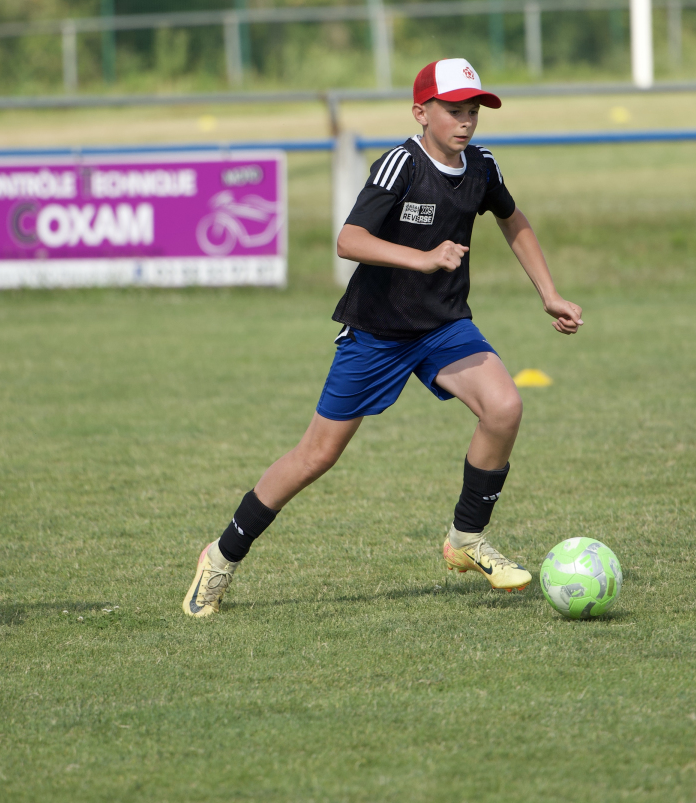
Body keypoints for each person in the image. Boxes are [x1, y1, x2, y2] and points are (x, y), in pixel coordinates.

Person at [183, 58, 584, 618]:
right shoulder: (401, 164)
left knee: (504, 408)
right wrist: (423, 258)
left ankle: (466, 538)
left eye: (473, 110)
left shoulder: (482, 167)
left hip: (443, 326)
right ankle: (221, 555)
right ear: (421, 112)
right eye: (453, 110)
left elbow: (513, 221)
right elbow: (349, 240)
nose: (466, 121)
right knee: (316, 455)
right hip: (376, 333)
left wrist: (549, 293)